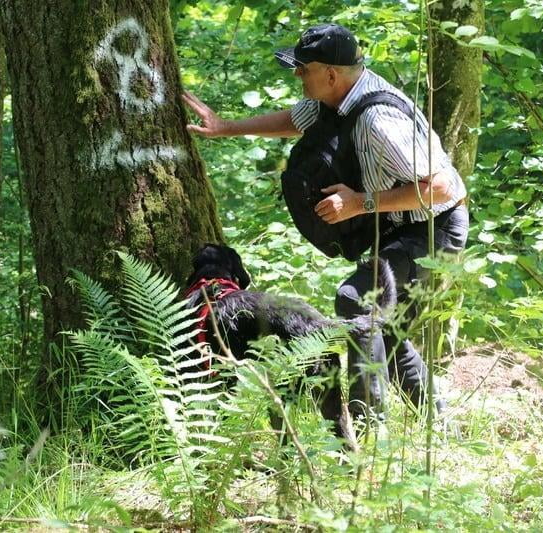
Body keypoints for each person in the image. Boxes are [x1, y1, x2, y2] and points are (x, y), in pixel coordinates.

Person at [182, 23, 468, 418]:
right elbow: (295, 120)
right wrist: (226, 128)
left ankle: (368, 422)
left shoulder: (379, 121)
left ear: (330, 74)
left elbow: (440, 189)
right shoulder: (335, 101)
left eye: (303, 68)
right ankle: (435, 419)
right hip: (396, 225)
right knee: (383, 327)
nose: (296, 75)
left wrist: (360, 204)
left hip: (432, 228)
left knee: (356, 300)